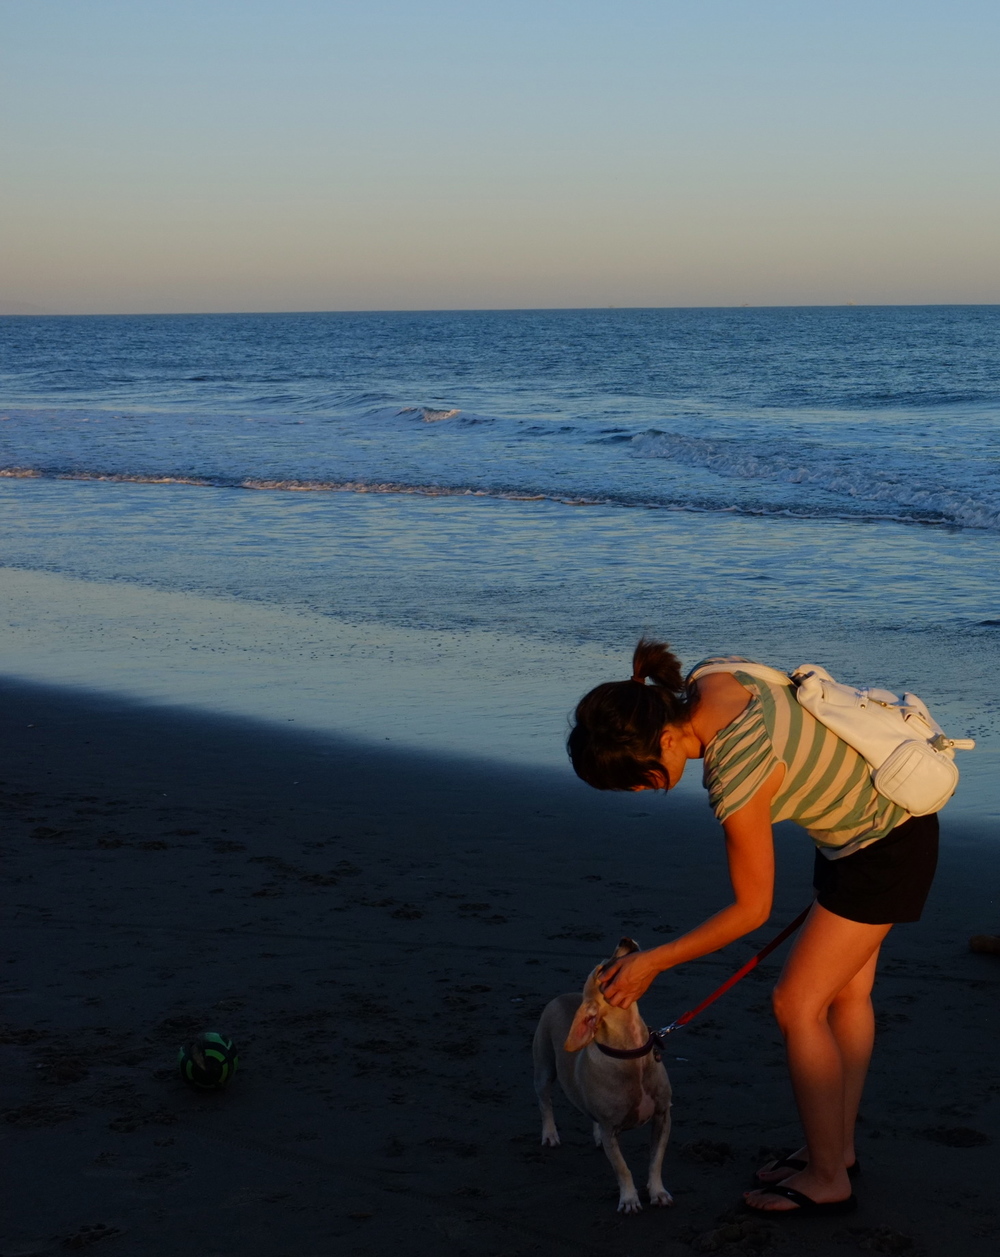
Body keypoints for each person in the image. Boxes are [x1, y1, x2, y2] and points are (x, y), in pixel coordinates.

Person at [567, 640, 940, 1216]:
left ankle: (827, 1179)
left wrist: (652, 961)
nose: (643, 791)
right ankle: (835, 1152)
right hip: (864, 827)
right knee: (845, 995)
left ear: (663, 740)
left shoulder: (734, 770)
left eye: (638, 780)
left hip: (885, 846)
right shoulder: (713, 678)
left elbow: (751, 911)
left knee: (796, 1005)